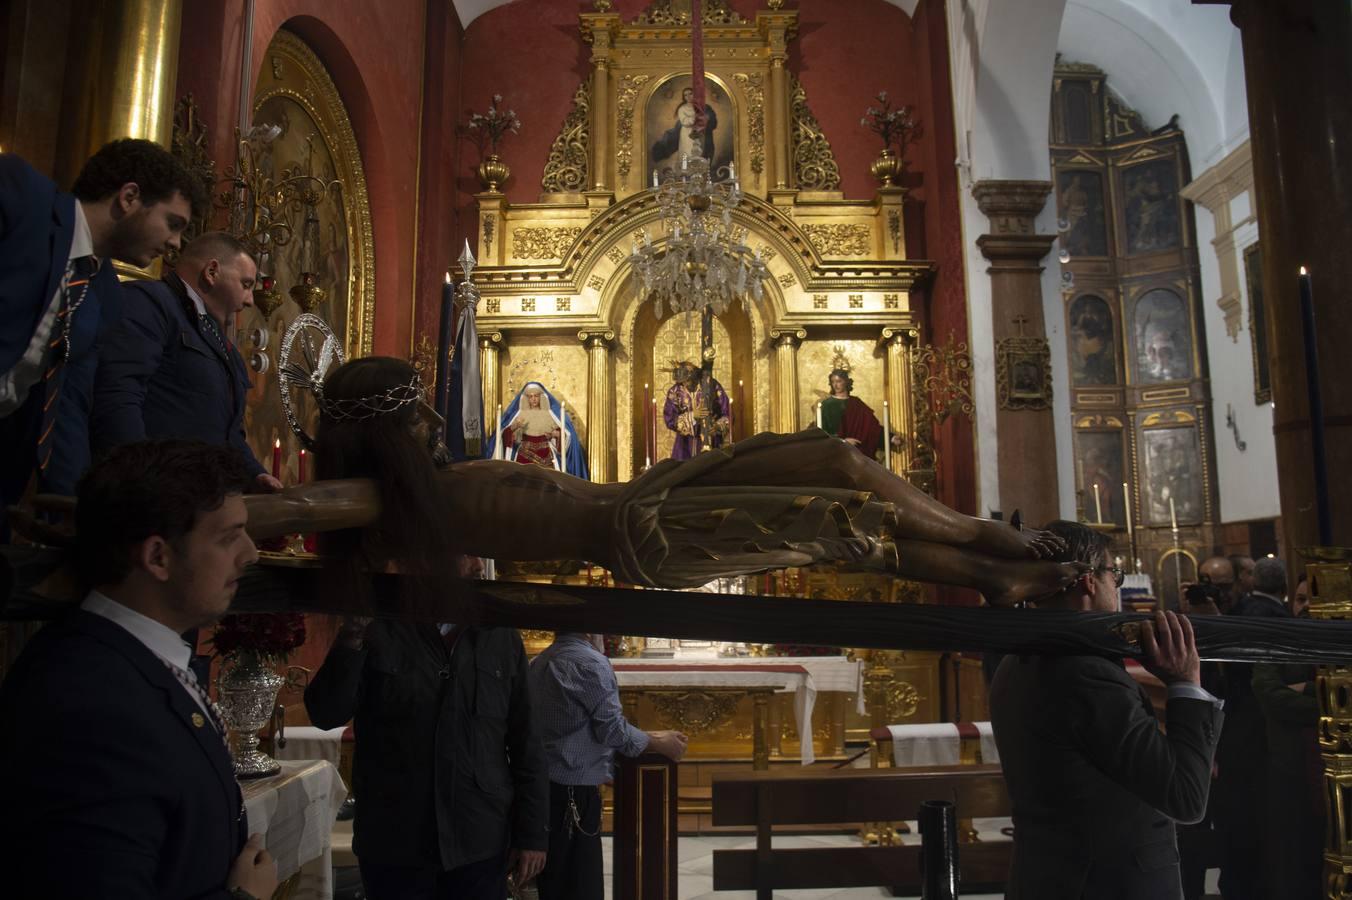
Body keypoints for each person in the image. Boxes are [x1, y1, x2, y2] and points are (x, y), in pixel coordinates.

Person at [245, 357, 1077, 607]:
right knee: (839, 509)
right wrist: (234, 497)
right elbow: (292, 507)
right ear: (387, 431)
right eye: (417, 413)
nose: (433, 422)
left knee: (840, 470)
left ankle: (982, 554)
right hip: (642, 531)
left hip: (648, 497)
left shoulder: (432, 482)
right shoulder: (384, 499)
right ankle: (985, 556)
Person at [301, 357, 548, 900]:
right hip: (397, 841)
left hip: (478, 838)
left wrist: (532, 833)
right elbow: (325, 712)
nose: (470, 557)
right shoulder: (380, 623)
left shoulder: (496, 632)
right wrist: (352, 637)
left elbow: (525, 742)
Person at [0, 440, 277, 899]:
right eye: (229, 537)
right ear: (157, 557)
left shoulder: (136, 660)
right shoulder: (88, 706)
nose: (250, 554)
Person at [989, 519, 1223, 900]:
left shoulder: (1018, 659)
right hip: (1108, 883)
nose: (1118, 585)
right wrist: (1185, 682)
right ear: (1088, 581)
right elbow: (1186, 797)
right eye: (1115, 573)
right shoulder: (1086, 675)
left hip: (1051, 875)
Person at [0, 139, 205, 508]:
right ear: (129, 197)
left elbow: (67, 402)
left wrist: (72, 505)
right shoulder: (20, 196)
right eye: (173, 223)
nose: (175, 243)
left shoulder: (106, 293)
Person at [92, 231, 280, 491]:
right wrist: (137, 483)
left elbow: (228, 431)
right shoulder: (150, 303)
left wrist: (254, 474)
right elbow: (117, 399)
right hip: (158, 493)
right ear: (212, 272)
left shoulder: (221, 342)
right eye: (246, 285)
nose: (249, 300)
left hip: (204, 497)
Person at [530, 633, 689, 900]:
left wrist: (648, 736)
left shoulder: (538, 661)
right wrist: (658, 742)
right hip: (575, 791)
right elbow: (612, 731)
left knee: (554, 881)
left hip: (543, 786)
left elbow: (574, 723)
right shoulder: (590, 663)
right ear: (592, 632)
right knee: (582, 883)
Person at [1214, 556, 1289, 900]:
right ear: (1285, 588)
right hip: (1262, 730)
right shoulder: (1277, 617)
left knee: (1239, 818)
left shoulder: (1238, 613)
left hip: (1233, 726)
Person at [489, 381, 587, 477]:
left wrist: (554, 434)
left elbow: (563, 434)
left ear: (541, 397)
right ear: (527, 398)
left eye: (536, 396)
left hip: (547, 453)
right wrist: (515, 426)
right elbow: (504, 435)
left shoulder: (550, 415)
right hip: (524, 453)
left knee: (552, 478)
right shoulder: (521, 414)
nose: (534, 399)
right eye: (530, 396)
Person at [663, 360, 730, 460]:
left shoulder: (712, 385)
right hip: (684, 445)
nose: (685, 384)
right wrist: (692, 416)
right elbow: (670, 419)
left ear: (694, 375)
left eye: (687, 380)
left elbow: (727, 412)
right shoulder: (675, 391)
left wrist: (717, 426)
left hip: (710, 439)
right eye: (682, 382)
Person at [819, 368, 883, 460]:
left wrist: (890, 438)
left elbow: (871, 427)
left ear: (846, 382)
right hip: (836, 451)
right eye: (833, 382)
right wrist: (843, 441)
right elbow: (822, 431)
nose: (835, 385)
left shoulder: (856, 403)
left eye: (839, 381)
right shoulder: (826, 405)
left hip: (858, 451)